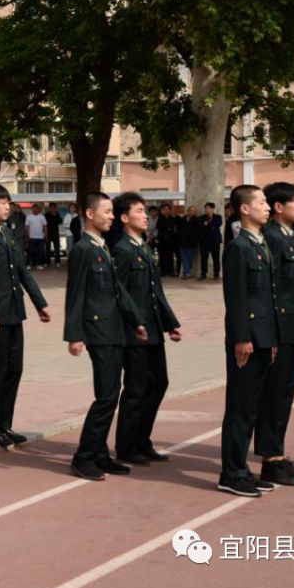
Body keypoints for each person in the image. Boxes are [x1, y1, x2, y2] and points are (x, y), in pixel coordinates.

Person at [64, 192, 146, 481]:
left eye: (113, 212)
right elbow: (76, 295)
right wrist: (74, 335)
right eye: (108, 211)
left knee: (111, 394)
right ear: (89, 213)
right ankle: (84, 457)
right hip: (98, 332)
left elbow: (116, 291)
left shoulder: (102, 247)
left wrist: (134, 319)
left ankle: (99, 454)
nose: (112, 216)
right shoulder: (83, 250)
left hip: (114, 330)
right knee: (107, 396)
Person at [0, 185, 49, 447]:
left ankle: (4, 424)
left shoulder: (7, 232)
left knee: (14, 368)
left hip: (15, 311)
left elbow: (22, 271)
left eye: (8, 203)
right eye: (3, 203)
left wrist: (40, 303)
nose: (8, 207)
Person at [110, 193, 181, 466]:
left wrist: (170, 323)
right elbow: (120, 293)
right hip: (134, 331)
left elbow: (156, 293)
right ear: (125, 217)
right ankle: (126, 445)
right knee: (136, 389)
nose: (145, 215)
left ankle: (142, 438)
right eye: (139, 211)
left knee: (159, 383)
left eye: (144, 211)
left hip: (153, 329)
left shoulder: (143, 247)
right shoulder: (122, 250)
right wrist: (134, 322)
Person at [217, 185, 278, 498]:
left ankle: (241, 469)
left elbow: (265, 298)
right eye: (261, 202)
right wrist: (242, 337)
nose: (267, 207)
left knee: (252, 407)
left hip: (263, 338)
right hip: (246, 340)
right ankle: (231, 473)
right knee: (240, 408)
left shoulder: (260, 244)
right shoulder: (239, 247)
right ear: (243, 209)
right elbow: (237, 297)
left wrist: (271, 338)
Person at [254, 183, 294, 487]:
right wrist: (272, 335)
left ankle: (277, 455)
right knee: (274, 395)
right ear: (279, 207)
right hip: (280, 330)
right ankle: (269, 460)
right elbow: (270, 290)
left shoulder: (290, 237)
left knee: (285, 394)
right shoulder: (273, 239)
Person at [154, 203, 177, 277]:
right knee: (162, 256)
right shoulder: (160, 219)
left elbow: (174, 230)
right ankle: (162, 271)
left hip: (170, 240)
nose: (166, 211)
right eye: (164, 209)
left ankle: (170, 271)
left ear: (170, 210)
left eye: (167, 209)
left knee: (170, 256)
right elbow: (158, 229)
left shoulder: (173, 219)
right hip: (161, 240)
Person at [178, 205, 200, 279]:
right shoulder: (182, 219)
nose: (191, 212)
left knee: (189, 258)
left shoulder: (196, 220)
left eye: (193, 211)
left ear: (195, 212)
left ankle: (187, 272)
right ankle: (187, 273)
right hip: (182, 242)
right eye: (190, 210)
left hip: (192, 243)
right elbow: (179, 230)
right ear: (187, 211)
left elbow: (197, 232)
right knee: (184, 258)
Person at [25, 204, 48, 270]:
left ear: (39, 209)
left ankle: (39, 264)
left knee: (40, 252)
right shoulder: (29, 217)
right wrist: (27, 236)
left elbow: (45, 227)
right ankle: (29, 264)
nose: (36, 210)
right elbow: (27, 227)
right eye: (34, 208)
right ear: (32, 209)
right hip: (31, 237)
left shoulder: (42, 217)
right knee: (30, 251)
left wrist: (46, 235)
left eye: (37, 208)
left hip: (40, 237)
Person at [45, 202, 63, 267]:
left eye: (54, 208)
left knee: (57, 249)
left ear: (56, 209)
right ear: (49, 208)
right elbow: (45, 224)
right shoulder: (46, 215)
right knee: (47, 249)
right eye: (51, 208)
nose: (52, 209)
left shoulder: (57, 214)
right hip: (48, 234)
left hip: (55, 234)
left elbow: (60, 221)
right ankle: (47, 262)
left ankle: (57, 262)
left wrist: (55, 215)